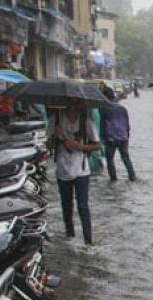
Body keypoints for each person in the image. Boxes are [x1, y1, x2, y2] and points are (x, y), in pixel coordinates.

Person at [47, 98, 101, 246]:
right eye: (70, 104)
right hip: (62, 169)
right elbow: (49, 145)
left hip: (82, 170)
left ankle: (88, 242)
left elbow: (97, 146)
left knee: (83, 206)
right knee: (66, 204)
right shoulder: (55, 119)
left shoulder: (86, 121)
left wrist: (80, 146)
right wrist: (55, 136)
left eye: (76, 104)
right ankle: (69, 236)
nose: (73, 108)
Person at [99, 87, 136, 182]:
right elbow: (127, 124)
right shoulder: (122, 108)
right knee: (126, 158)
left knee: (110, 159)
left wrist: (102, 138)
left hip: (110, 138)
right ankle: (132, 177)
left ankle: (113, 179)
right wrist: (127, 135)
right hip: (123, 137)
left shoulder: (103, 108)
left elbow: (102, 125)